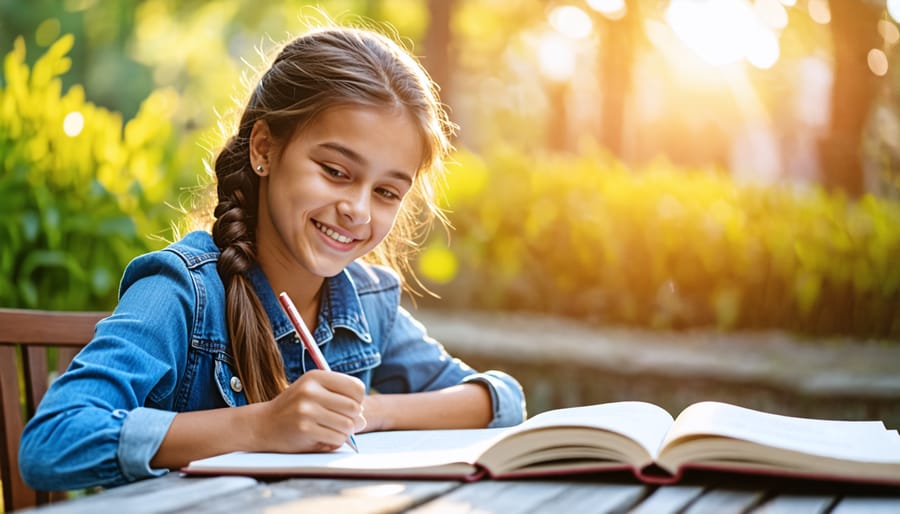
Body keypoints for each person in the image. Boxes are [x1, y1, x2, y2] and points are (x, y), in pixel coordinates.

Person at [19, 23, 526, 492]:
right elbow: (54, 439)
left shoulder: (366, 302)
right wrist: (263, 425)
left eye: (387, 192)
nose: (357, 210)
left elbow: (500, 400)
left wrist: (368, 412)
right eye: (334, 170)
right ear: (264, 148)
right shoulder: (183, 290)